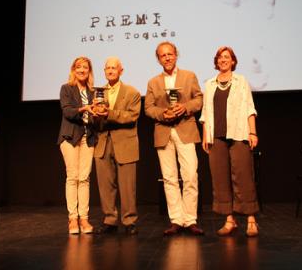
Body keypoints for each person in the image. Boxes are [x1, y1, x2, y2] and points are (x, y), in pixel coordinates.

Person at [144, 41, 204, 236]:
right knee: (169, 178)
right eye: (163, 55)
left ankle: (190, 219)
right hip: (164, 131)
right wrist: (163, 114)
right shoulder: (153, 82)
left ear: (176, 55)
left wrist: (185, 107)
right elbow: (149, 108)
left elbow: (199, 99)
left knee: (190, 176)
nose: (167, 58)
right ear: (158, 59)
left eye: (170, 54)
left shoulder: (189, 76)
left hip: (186, 129)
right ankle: (176, 220)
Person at [200, 46, 260, 237]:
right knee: (220, 178)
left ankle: (251, 219)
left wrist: (253, 133)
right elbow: (205, 113)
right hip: (215, 136)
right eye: (220, 57)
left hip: (239, 134)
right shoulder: (209, 84)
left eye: (227, 57)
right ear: (216, 61)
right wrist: (205, 135)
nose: (223, 60)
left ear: (233, 61)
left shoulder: (241, 81)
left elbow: (250, 108)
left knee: (243, 176)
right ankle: (229, 220)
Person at [92, 57, 141, 235]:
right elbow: (91, 119)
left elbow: (132, 116)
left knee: (128, 186)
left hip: (125, 142)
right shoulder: (97, 93)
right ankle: (110, 220)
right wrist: (94, 114)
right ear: (104, 72)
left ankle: (129, 221)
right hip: (103, 142)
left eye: (114, 68)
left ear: (121, 71)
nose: (110, 71)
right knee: (105, 185)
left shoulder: (132, 92)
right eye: (107, 68)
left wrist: (109, 113)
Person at [57, 57, 98, 235]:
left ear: (89, 71)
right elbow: (67, 111)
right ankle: (72, 219)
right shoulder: (66, 88)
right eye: (79, 67)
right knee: (72, 177)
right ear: (73, 70)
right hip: (70, 137)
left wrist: (99, 111)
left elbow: (96, 115)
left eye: (85, 68)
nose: (82, 70)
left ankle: (84, 218)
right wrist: (85, 108)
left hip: (88, 137)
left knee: (85, 178)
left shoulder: (93, 91)